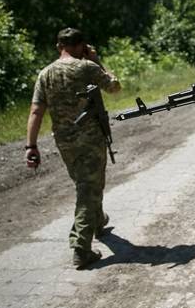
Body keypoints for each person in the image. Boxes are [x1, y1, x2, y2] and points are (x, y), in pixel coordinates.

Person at [25, 27, 121, 269]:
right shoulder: (87, 67)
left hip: (64, 142)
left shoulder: (45, 74)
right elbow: (114, 86)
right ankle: (81, 247)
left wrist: (31, 145)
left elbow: (36, 110)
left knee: (86, 184)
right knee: (88, 187)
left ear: (59, 47)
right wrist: (97, 60)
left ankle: (97, 220)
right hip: (90, 139)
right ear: (82, 46)